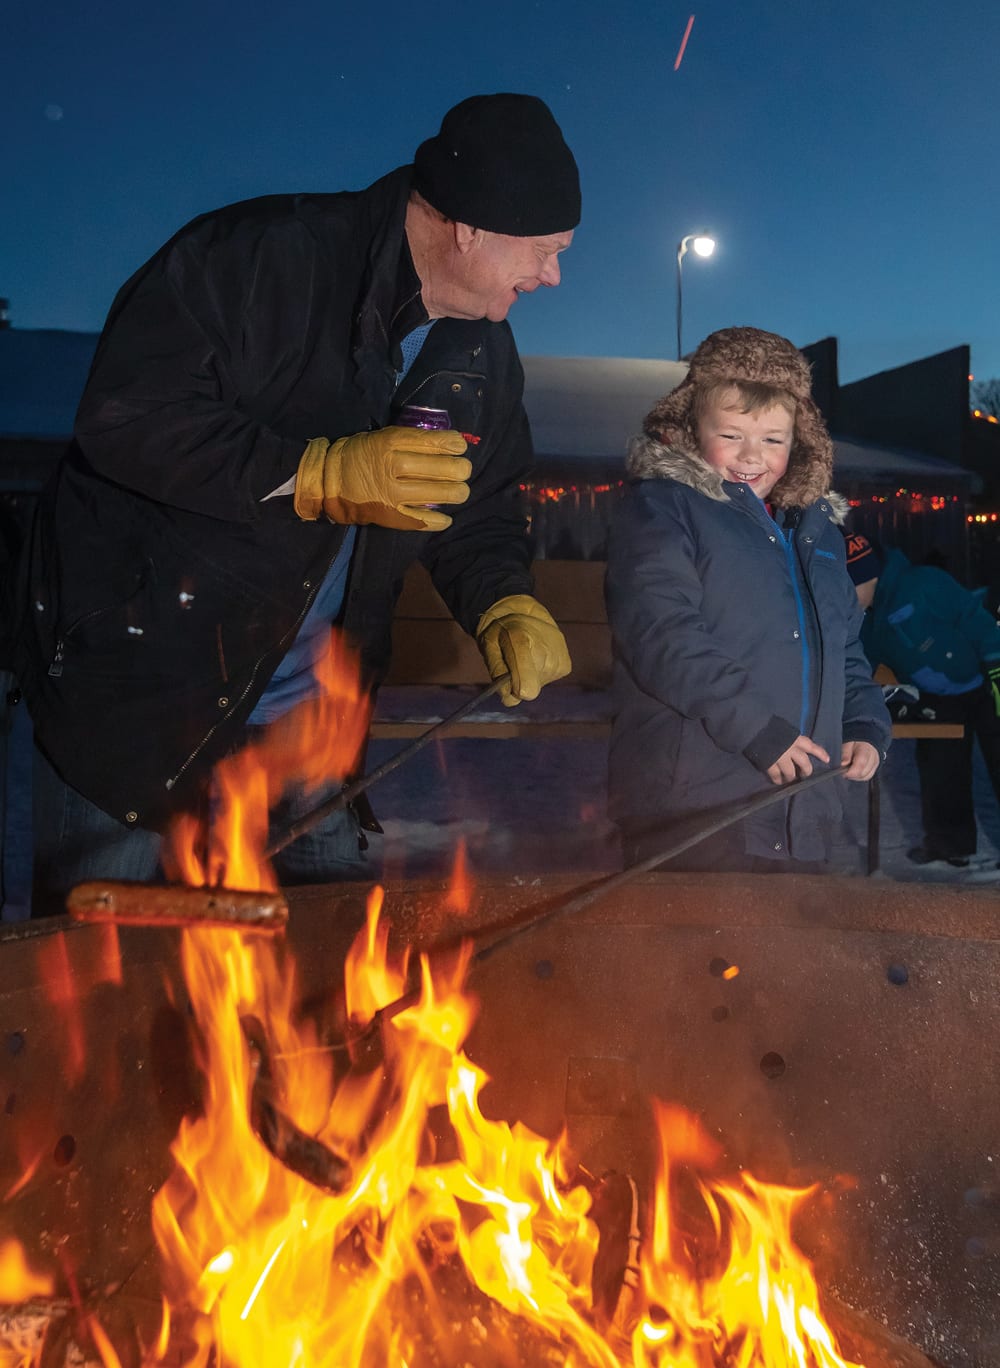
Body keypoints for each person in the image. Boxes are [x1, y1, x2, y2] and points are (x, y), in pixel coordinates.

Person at [13, 93, 579, 912]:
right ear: (472, 224)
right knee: (107, 993)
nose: (553, 276)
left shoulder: (480, 348)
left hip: (312, 731)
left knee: (319, 996)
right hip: (141, 709)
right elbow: (128, 418)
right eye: (547, 249)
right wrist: (316, 473)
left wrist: (504, 600)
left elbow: (479, 506)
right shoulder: (258, 258)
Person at [605, 327, 891, 873]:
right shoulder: (664, 509)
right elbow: (661, 634)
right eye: (732, 435)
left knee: (785, 956)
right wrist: (756, 728)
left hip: (801, 808)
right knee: (679, 957)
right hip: (694, 809)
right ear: (690, 426)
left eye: (774, 439)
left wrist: (863, 725)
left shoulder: (817, 532)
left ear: (801, 441)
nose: (752, 457)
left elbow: (847, 648)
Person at [856, 538, 1000, 872]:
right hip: (937, 694)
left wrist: (996, 664)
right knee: (941, 767)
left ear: (869, 576)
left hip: (983, 677)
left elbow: (973, 617)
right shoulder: (869, 620)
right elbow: (863, 663)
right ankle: (950, 845)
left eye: (850, 588)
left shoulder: (923, 583)